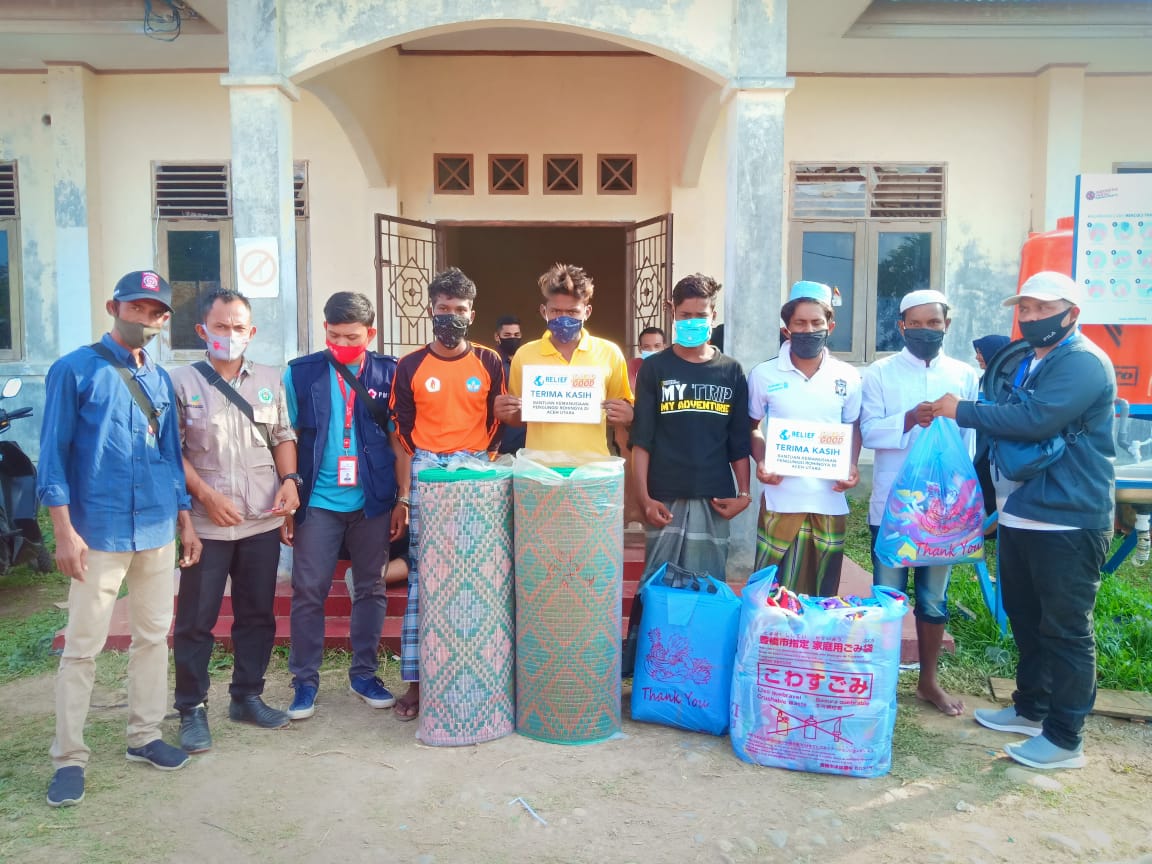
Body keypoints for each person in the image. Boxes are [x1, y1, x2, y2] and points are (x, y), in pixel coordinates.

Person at [932, 272, 1115, 770]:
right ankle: (1031, 708)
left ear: (1071, 313)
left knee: (1066, 629)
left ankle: (1064, 737)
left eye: (1042, 308)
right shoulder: (1035, 361)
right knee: (1027, 620)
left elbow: (1034, 420)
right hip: (1022, 514)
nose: (1031, 317)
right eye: (1026, 309)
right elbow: (1015, 412)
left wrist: (960, 410)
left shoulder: (1082, 363)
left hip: (1067, 520)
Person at [38, 270, 202, 808]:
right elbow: (52, 458)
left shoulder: (160, 378)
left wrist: (184, 521)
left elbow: (170, 456)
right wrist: (64, 533)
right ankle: (68, 757)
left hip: (156, 527)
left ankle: (145, 736)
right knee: (82, 647)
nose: (148, 318)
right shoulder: (74, 370)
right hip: (98, 532)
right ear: (114, 306)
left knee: (153, 638)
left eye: (157, 311)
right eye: (138, 308)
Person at [169, 290, 300, 753]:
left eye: (238, 327)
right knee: (195, 621)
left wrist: (290, 480)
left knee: (257, 616)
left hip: (261, 519)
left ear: (252, 332)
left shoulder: (268, 378)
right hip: (207, 523)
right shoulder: (180, 382)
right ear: (202, 330)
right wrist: (203, 495)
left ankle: (247, 695)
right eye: (220, 326)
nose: (230, 335)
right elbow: (172, 452)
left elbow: (282, 434)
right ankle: (191, 708)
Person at [389, 267, 505, 721]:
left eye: (459, 311)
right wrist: (427, 466)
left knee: (477, 572)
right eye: (443, 310)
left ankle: (478, 673)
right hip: (428, 472)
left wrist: (476, 456)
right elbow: (401, 424)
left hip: (475, 470)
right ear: (431, 311)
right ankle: (418, 682)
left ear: (471, 314)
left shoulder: (491, 361)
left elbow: (498, 418)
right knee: (424, 574)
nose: (450, 318)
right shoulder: (411, 364)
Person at [282, 291, 404, 721]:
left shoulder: (388, 373)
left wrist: (401, 498)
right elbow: (288, 436)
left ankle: (364, 674)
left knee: (370, 588)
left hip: (372, 500)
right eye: (334, 335)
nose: (342, 343)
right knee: (308, 591)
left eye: (351, 336)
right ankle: (304, 682)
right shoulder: (301, 374)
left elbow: (398, 440)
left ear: (370, 333)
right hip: (317, 500)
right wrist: (289, 491)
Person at [860, 288, 979, 717]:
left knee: (932, 598)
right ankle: (880, 679)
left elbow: (971, 440)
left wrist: (968, 503)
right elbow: (868, 433)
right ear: (902, 326)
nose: (926, 330)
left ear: (947, 325)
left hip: (944, 509)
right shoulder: (880, 373)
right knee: (887, 595)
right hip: (894, 505)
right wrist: (908, 419)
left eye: (935, 323)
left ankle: (928, 681)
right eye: (917, 323)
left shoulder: (965, 375)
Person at [631, 274, 751, 582]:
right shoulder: (655, 368)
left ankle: (705, 634)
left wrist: (744, 494)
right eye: (685, 315)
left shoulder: (731, 371)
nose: (693, 321)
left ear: (713, 316)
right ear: (673, 313)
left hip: (715, 498)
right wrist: (644, 498)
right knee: (657, 584)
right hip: (663, 497)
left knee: (707, 585)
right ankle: (653, 634)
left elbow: (739, 441)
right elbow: (642, 440)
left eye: (701, 315)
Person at [747, 281, 862, 596]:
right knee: (770, 590)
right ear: (787, 329)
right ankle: (770, 644)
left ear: (830, 326)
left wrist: (850, 465)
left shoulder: (848, 377)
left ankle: (813, 646)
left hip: (829, 499)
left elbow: (853, 426)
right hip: (781, 497)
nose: (808, 329)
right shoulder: (765, 375)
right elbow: (751, 426)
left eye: (816, 323)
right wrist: (762, 460)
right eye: (800, 323)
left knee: (822, 589)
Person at [494, 263, 633, 455]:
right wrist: (506, 413)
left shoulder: (609, 353)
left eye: (573, 312)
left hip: (592, 468)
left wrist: (628, 415)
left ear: (587, 311)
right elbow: (519, 417)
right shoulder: (525, 355)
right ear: (544, 311)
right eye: (556, 311)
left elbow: (617, 415)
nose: (563, 318)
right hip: (540, 469)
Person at [971, 333, 1013, 531]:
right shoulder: (981, 379)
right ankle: (987, 526)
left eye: (981, 353)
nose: (978, 357)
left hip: (996, 443)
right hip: (980, 441)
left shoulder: (1007, 382)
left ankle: (995, 526)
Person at [494, 314, 526, 455]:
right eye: (507, 335)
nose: (512, 338)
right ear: (497, 336)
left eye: (516, 334)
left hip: (525, 441)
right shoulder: (491, 362)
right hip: (500, 442)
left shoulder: (526, 361)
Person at [628, 326, 667, 392]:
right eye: (646, 346)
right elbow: (633, 392)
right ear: (640, 349)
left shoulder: (672, 366)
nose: (652, 350)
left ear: (664, 347)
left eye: (657, 346)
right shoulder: (633, 365)